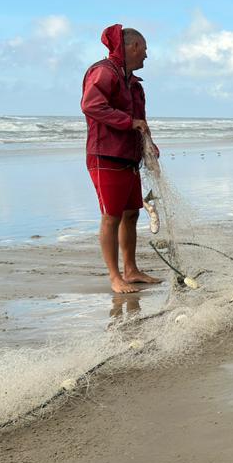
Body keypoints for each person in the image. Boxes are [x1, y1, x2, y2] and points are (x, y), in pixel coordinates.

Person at [81, 24, 161, 294]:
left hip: (129, 156)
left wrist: (150, 149)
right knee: (111, 217)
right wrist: (128, 122)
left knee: (131, 214)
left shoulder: (134, 85)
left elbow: (141, 122)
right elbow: (91, 106)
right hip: (106, 155)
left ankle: (131, 269)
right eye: (145, 50)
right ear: (133, 47)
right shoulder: (103, 72)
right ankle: (115, 276)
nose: (146, 56)